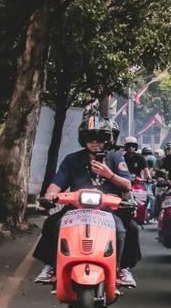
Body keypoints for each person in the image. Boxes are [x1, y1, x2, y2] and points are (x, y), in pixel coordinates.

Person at [33, 114, 138, 287]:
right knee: (52, 224)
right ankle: (50, 266)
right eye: (90, 139)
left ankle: (122, 269)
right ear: (83, 140)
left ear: (107, 140)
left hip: (108, 208)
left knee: (127, 229)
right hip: (75, 207)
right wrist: (50, 195)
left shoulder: (115, 158)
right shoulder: (71, 159)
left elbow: (127, 184)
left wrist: (109, 175)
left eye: (100, 139)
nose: (95, 143)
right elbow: (57, 183)